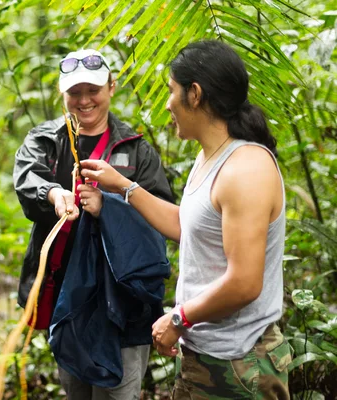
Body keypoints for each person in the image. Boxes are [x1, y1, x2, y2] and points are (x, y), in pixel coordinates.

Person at [81, 40, 291, 399]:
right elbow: (190, 228)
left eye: (171, 91)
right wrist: (124, 188)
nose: (167, 104)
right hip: (206, 356)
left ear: (195, 94)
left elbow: (244, 283)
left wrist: (179, 319)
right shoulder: (211, 156)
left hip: (240, 364)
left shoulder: (246, 169)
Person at [13, 48, 174, 399]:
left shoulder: (135, 150)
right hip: (67, 301)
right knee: (76, 391)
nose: (84, 101)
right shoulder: (46, 140)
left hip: (124, 302)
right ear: (62, 93)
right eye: (74, 92)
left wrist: (108, 206)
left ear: (112, 87)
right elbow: (27, 179)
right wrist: (55, 195)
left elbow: (164, 217)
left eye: (93, 90)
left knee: (118, 391)